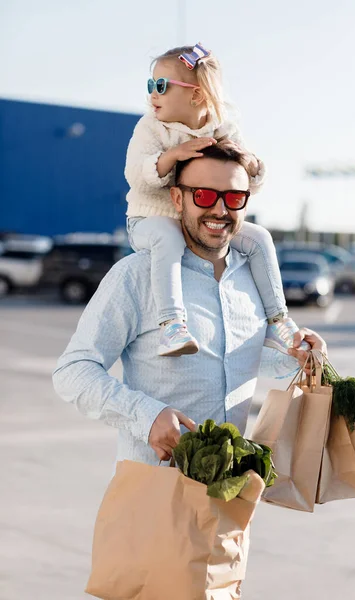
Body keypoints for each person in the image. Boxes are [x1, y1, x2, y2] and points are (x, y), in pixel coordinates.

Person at [53, 143, 327, 464]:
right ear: (177, 198)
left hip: (231, 486)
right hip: (155, 488)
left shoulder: (252, 277)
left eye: (234, 197)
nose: (220, 210)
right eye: (204, 195)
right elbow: (73, 371)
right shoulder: (137, 274)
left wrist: (296, 359)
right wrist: (146, 415)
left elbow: (230, 360)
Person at [124, 42, 309, 358]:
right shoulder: (151, 127)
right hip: (148, 219)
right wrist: (171, 156)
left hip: (194, 223)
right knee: (167, 238)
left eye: (161, 86)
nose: (152, 94)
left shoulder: (224, 128)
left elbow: (247, 180)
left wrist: (252, 165)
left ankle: (279, 319)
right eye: (150, 85)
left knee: (259, 237)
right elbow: (135, 174)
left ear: (196, 95)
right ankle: (171, 324)